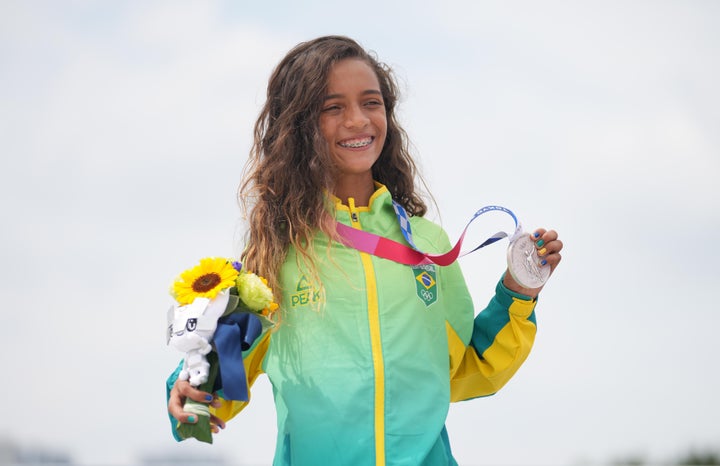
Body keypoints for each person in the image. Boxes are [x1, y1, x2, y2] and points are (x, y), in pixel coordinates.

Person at [167, 35, 563, 466]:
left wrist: (517, 292)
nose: (357, 120)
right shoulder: (273, 255)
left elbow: (466, 369)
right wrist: (189, 397)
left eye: (370, 103)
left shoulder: (428, 245)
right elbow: (213, 385)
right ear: (299, 125)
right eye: (332, 107)